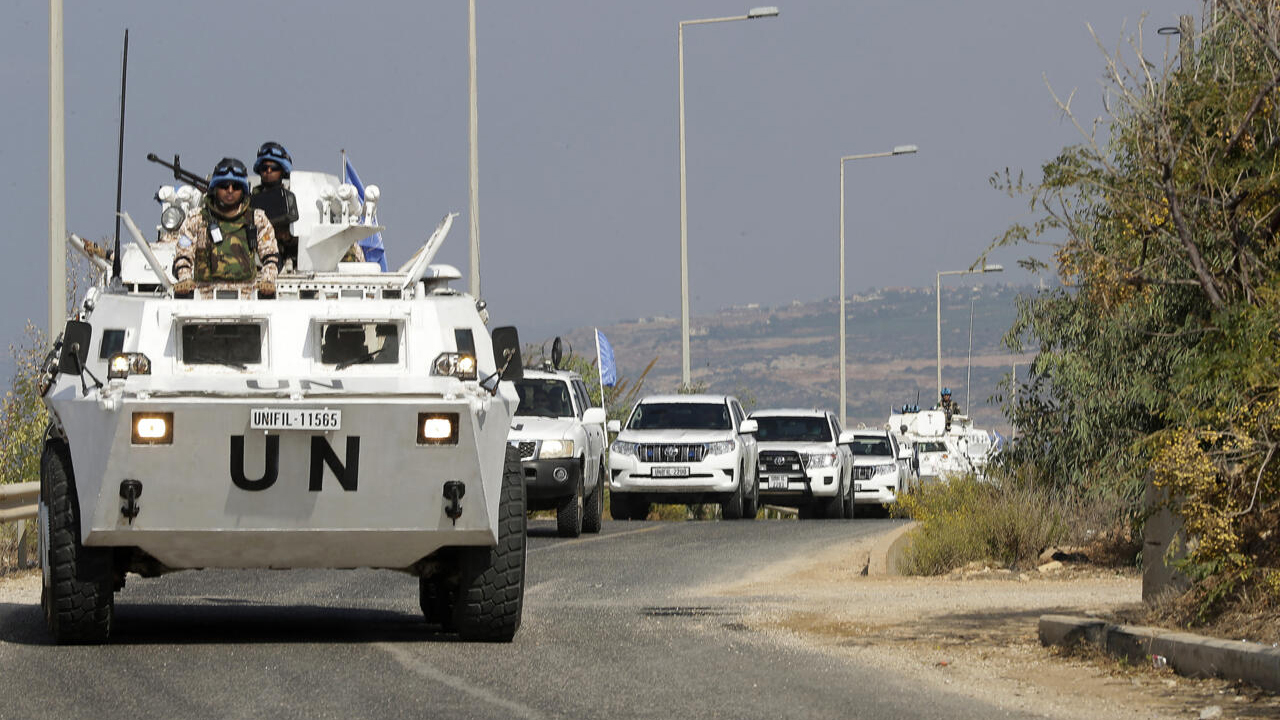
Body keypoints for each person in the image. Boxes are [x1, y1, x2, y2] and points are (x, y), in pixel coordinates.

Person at [172, 158, 280, 297]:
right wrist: (185, 278)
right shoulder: (197, 219)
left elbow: (271, 255)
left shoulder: (256, 219)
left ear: (243, 190)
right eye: (224, 186)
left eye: (235, 186)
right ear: (215, 188)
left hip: (247, 296)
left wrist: (268, 280)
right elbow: (182, 255)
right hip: (205, 295)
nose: (230, 191)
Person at [250, 142, 300, 270]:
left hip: (289, 259)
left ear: (283, 170)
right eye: (264, 168)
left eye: (274, 168)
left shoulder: (293, 196)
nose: (268, 171)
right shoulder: (250, 198)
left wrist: (287, 236)